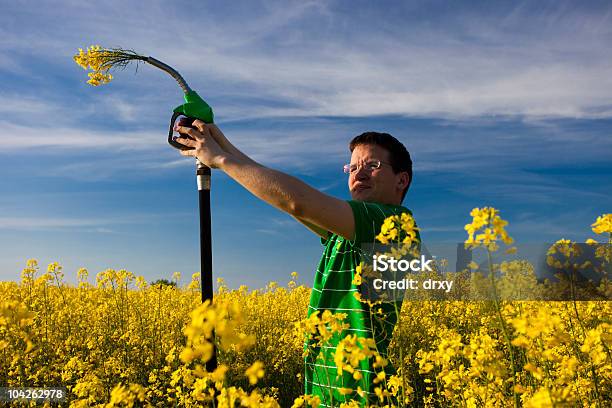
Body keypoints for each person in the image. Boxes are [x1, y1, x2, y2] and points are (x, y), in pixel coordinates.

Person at [173, 121, 417, 406]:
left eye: (372, 165)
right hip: (328, 387)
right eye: (352, 168)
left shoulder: (392, 223)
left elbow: (297, 203)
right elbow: (287, 202)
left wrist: (222, 159)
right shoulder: (352, 231)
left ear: (401, 180)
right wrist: (221, 145)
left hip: (360, 392)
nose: (358, 174)